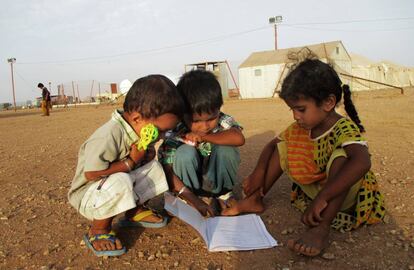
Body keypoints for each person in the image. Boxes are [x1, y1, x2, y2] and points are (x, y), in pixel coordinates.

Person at [222, 59, 385, 257]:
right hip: (317, 192)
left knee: (342, 158)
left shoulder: (344, 128)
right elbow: (273, 145)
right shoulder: (301, 128)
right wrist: (259, 171)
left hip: (342, 196)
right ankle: (255, 199)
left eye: (301, 109)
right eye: (292, 109)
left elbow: (362, 162)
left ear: (328, 103)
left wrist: (323, 197)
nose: (295, 116)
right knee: (283, 146)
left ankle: (321, 228)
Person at [68, 75, 184, 257]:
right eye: (159, 131)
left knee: (155, 168)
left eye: (165, 131)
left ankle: (133, 211)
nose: (161, 137)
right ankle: (99, 230)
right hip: (89, 196)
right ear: (137, 118)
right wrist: (130, 162)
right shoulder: (109, 135)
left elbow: (139, 164)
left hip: (111, 185)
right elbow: (91, 173)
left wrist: (145, 157)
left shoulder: (138, 129)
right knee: (121, 179)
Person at [158, 69, 245, 217]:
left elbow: (239, 138)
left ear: (219, 109)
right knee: (185, 152)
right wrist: (193, 200)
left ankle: (222, 194)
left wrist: (204, 138)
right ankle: (192, 199)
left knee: (227, 149)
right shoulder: (176, 131)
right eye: (196, 121)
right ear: (182, 114)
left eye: (211, 118)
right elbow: (168, 171)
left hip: (215, 183)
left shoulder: (223, 121)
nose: (204, 127)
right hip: (188, 189)